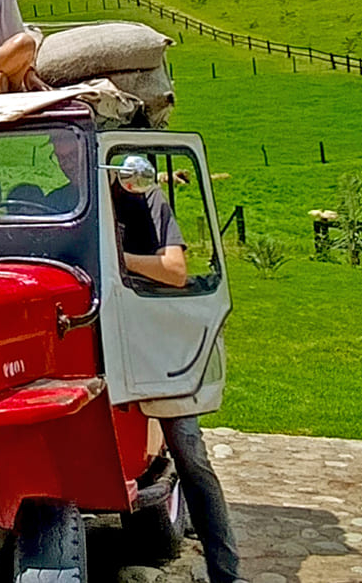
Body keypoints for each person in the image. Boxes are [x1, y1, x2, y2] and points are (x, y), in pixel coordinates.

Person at [109, 159, 242, 583]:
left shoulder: (146, 200)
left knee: (189, 453)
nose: (65, 155)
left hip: (151, 344)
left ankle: (226, 571)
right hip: (95, 340)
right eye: (60, 145)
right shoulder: (62, 205)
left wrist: (117, 260)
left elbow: (175, 271)